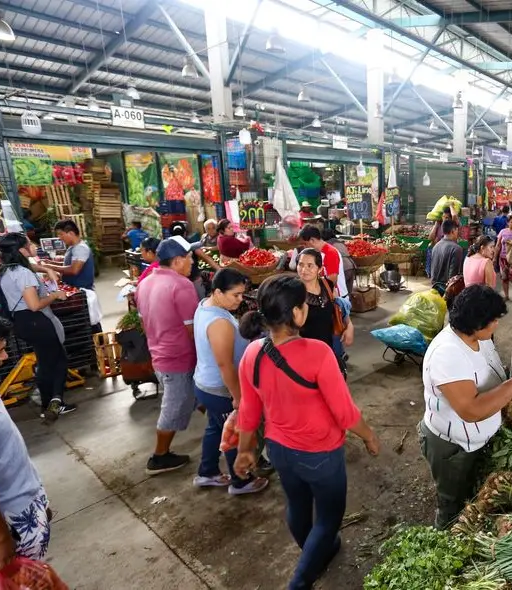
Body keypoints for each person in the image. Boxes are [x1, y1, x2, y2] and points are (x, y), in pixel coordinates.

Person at [234, 275, 380, 590]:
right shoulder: (318, 353)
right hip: (321, 455)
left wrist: (245, 450)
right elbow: (344, 413)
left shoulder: (252, 353)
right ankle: (301, 580)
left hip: (280, 451)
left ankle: (316, 552)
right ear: (298, 313)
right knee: (329, 518)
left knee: (298, 506)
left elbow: (248, 411)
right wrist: (368, 435)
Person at [419, 285, 512, 529]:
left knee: (470, 492)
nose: (497, 324)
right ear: (476, 323)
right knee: (452, 502)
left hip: (476, 440)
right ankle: (445, 540)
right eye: (494, 320)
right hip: (453, 447)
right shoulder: (448, 354)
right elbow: (470, 410)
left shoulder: (477, 337)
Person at [193, 268, 271, 495]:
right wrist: (238, 396)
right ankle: (240, 481)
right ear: (217, 291)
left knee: (215, 429)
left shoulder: (205, 306)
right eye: (235, 295)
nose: (239, 300)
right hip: (220, 389)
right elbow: (225, 364)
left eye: (241, 294)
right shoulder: (219, 322)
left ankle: (206, 472)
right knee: (234, 434)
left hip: (205, 383)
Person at [0, 315, 53, 567]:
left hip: (21, 506)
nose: (4, 358)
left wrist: (37, 500)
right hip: (10, 522)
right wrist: (0, 538)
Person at [136, 237, 201, 475]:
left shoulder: (145, 283)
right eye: (189, 257)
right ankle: (159, 456)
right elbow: (193, 329)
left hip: (159, 354)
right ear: (177, 261)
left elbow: (144, 323)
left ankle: (226, 429)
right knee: (174, 407)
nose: (192, 261)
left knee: (199, 397)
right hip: (178, 358)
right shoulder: (182, 285)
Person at [0, 233, 73, 421]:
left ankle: (48, 404)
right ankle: (55, 402)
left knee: (45, 362)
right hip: (36, 320)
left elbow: (30, 267)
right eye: (29, 244)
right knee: (58, 361)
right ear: (22, 250)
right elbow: (34, 305)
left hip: (22, 323)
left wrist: (45, 268)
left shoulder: (5, 270)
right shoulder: (23, 274)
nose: (33, 247)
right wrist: (55, 295)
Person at [296, 248, 355, 373]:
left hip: (329, 348)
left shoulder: (327, 285)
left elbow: (338, 307)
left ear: (320, 269)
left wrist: (349, 326)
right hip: (305, 353)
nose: (304, 270)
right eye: (300, 265)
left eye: (310, 265)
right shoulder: (293, 291)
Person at [299, 225, 348, 298]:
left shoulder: (330, 253)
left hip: (337, 298)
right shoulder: (316, 252)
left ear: (312, 240)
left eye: (305, 244)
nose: (304, 247)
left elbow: (332, 280)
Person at [50, 219, 95, 290]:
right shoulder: (73, 246)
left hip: (82, 291)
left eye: (61, 234)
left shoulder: (80, 248)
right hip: (74, 289)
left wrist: (49, 267)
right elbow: (69, 264)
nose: (59, 238)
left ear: (71, 233)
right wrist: (51, 263)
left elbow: (73, 269)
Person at [429, 220, 465, 293]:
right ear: (453, 231)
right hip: (446, 290)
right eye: (457, 230)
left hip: (434, 288)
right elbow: (453, 277)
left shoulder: (436, 246)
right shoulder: (456, 249)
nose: (457, 233)